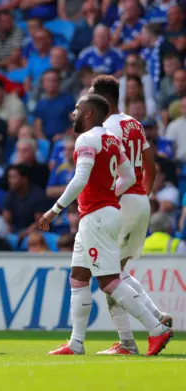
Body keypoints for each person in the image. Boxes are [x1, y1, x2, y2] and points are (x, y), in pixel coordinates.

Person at [39, 94, 172, 356]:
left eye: (77, 108)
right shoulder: (112, 140)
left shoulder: (87, 139)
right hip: (103, 213)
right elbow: (131, 175)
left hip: (97, 217)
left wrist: (54, 210)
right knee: (78, 277)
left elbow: (79, 179)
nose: (73, 114)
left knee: (109, 280)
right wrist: (110, 192)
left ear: (89, 113)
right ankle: (76, 343)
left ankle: (156, 328)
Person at [90, 75, 172, 355]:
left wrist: (112, 201)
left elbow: (109, 171)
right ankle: (156, 315)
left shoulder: (107, 128)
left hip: (122, 201)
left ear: (101, 100)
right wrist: (142, 195)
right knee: (117, 271)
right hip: (139, 200)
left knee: (107, 275)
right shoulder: (133, 122)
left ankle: (133, 339)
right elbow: (152, 166)